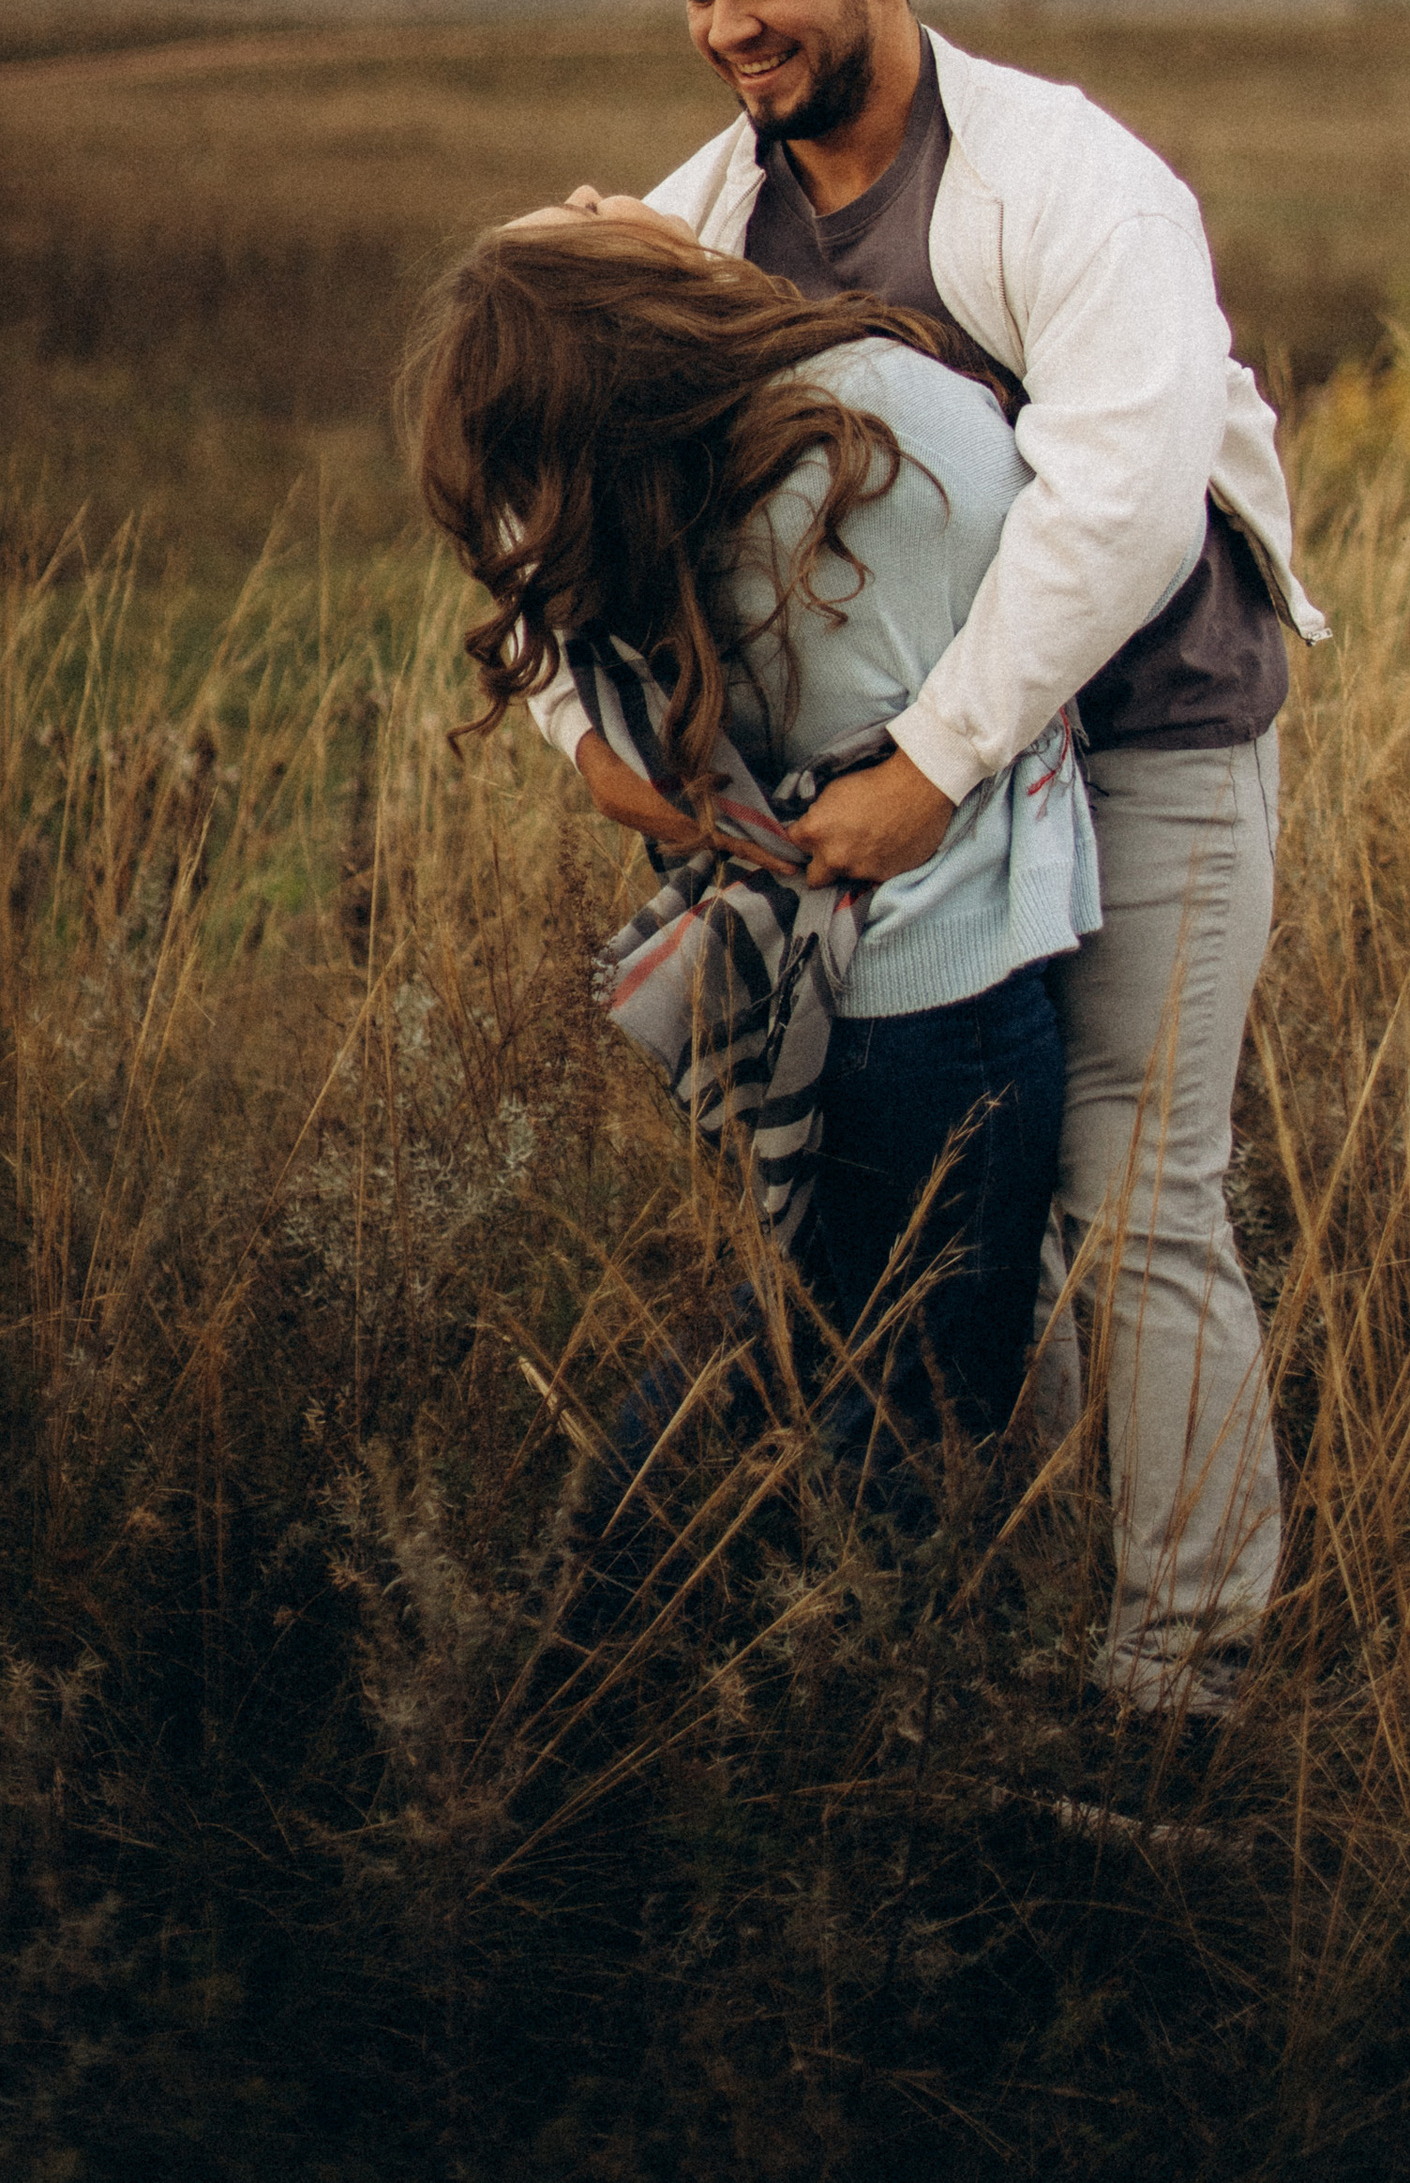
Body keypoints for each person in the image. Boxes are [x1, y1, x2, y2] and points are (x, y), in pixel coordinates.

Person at [523, 0, 1324, 1717]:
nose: (729, 27)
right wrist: (581, 732)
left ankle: (1183, 1682)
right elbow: (558, 476)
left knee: (1138, 1201)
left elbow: (1119, 515)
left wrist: (936, 768)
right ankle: (1017, 1594)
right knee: (980, 1194)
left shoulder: (1073, 183)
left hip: (1141, 741)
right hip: (896, 810)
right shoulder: (704, 220)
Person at [404, 207, 1100, 1562]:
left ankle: (602, 1580)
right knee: (920, 1389)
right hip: (951, 994)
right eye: (592, 217)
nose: (619, 194)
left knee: (810, 1319)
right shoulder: (870, 417)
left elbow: (519, 502)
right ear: (648, 304)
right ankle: (776, 1644)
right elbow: (1089, 556)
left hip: (815, 991)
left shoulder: (633, 496)